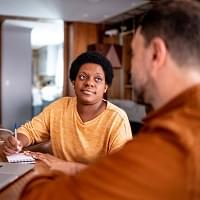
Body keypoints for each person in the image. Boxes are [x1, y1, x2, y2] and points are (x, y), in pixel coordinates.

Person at [20, 1, 200, 199]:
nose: (130, 67)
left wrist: (43, 168)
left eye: (133, 53)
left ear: (156, 54)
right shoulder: (178, 122)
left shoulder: (174, 141)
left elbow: (39, 197)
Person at [2, 51, 132, 174]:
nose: (89, 83)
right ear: (74, 82)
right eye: (83, 77)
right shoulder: (59, 107)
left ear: (105, 87)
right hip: (60, 180)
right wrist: (17, 142)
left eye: (97, 79)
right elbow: (30, 131)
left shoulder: (117, 119)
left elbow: (120, 171)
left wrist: (65, 166)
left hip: (97, 187)